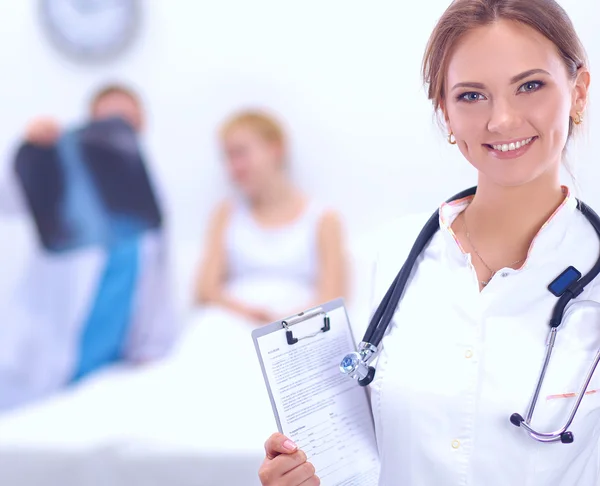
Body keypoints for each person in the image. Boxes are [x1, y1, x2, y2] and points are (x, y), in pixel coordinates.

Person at [257, 0, 598, 485]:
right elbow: (358, 458)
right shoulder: (395, 254)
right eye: (471, 96)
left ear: (578, 92)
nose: (501, 120)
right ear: (445, 113)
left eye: (530, 86)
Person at [0, 83, 178, 412]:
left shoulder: (151, 200)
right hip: (40, 359)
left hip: (108, 369)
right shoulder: (58, 173)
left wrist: (153, 350)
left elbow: (157, 285)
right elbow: (6, 199)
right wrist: (30, 150)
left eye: (129, 122)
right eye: (109, 122)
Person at [194, 110, 347, 324]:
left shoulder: (323, 219)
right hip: (231, 323)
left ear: (275, 149)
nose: (234, 167)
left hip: (299, 328)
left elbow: (333, 297)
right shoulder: (226, 214)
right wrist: (248, 313)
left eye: (241, 153)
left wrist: (283, 322)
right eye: (228, 157)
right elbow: (205, 289)